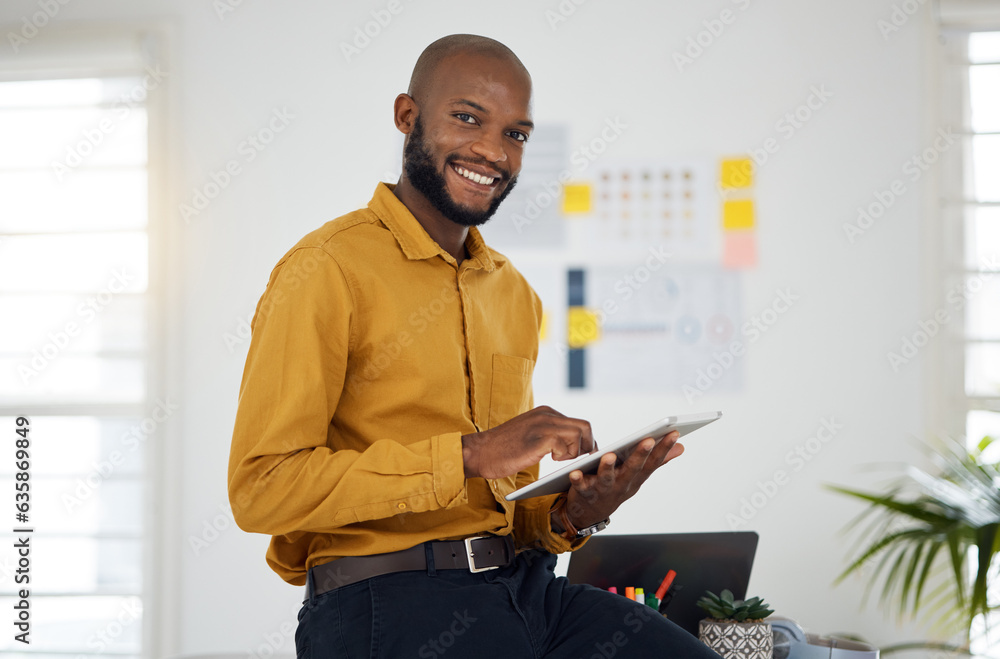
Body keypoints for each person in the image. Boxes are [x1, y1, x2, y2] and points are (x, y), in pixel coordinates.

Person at [228, 33, 720, 658]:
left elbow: (505, 506)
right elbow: (262, 488)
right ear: (408, 117)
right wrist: (466, 454)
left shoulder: (513, 293)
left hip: (528, 592)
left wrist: (576, 513)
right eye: (467, 118)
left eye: (516, 134)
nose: (492, 151)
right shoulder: (325, 269)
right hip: (387, 602)